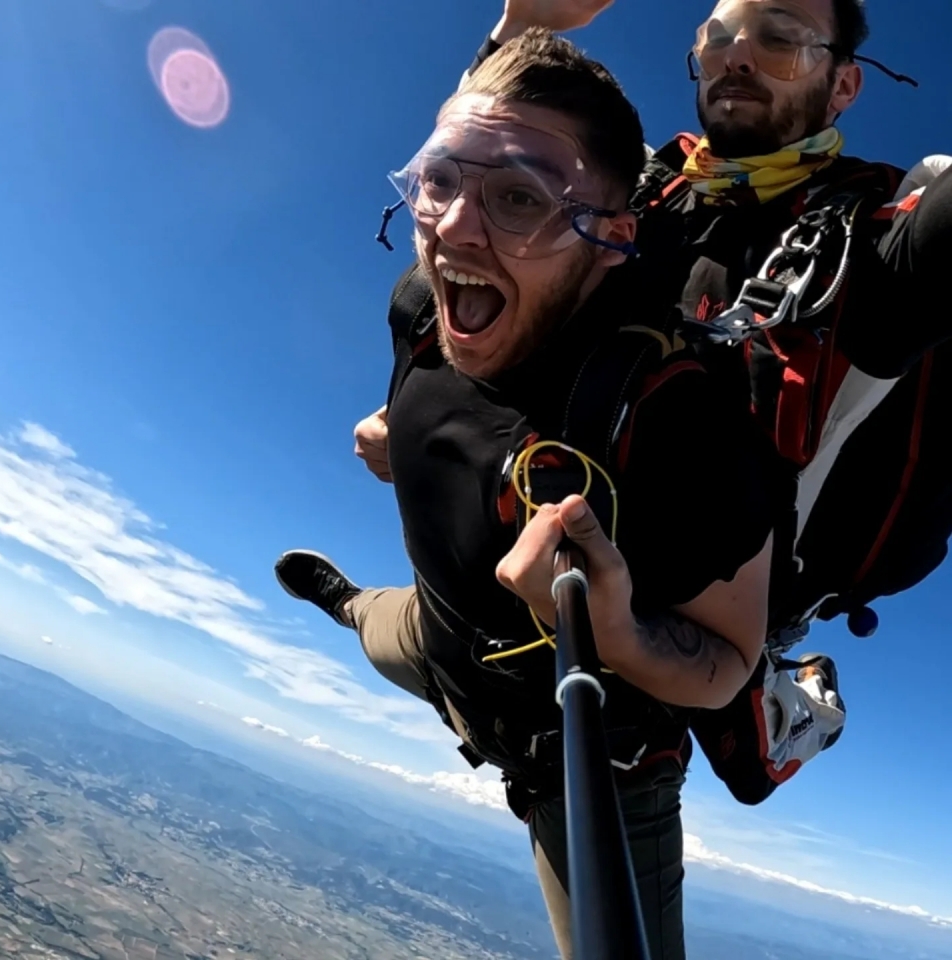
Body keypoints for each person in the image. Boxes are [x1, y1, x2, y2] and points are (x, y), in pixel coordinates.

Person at [352, 0, 952, 805]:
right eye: (718, 39)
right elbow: (488, 165)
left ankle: (776, 709)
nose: (738, 56)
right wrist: (520, 31)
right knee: (405, 628)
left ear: (844, 83)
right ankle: (350, 603)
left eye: (779, 40)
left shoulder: (881, 254)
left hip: (685, 602)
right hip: (501, 544)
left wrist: (634, 638)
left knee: (631, 790)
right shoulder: (643, 186)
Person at [277, 30, 782, 960]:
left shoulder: (690, 430)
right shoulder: (425, 309)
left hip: (590, 761)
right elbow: (462, 395)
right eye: (439, 181)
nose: (455, 229)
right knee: (382, 626)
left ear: (612, 239)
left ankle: (358, 611)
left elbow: (731, 662)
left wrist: (621, 633)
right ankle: (350, 607)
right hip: (438, 636)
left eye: (519, 199)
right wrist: (400, 431)